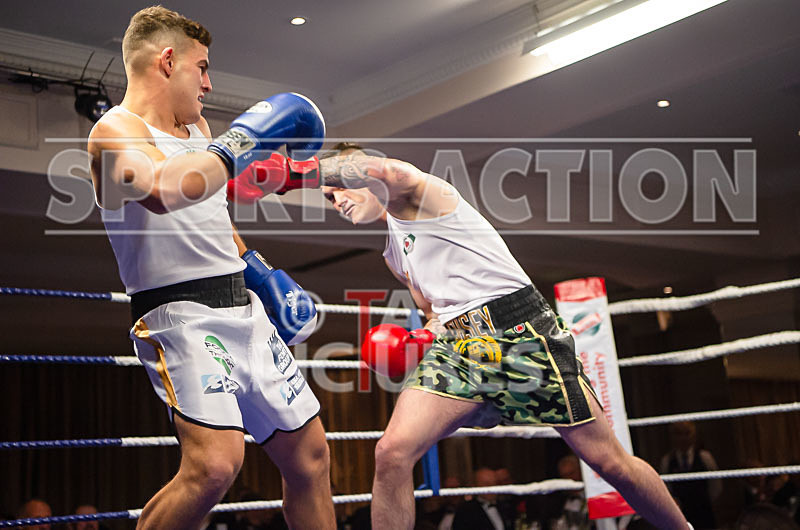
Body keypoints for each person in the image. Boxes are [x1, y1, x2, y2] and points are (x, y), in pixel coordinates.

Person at [227, 142, 692, 529]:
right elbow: (433, 313)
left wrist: (296, 173)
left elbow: (383, 169)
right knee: (391, 452)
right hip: (460, 349)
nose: (339, 202)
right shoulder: (394, 252)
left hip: (520, 332)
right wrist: (420, 341)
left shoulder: (422, 195)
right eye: (329, 200)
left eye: (340, 190)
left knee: (609, 462)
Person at [87, 6, 334, 529]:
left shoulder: (197, 127)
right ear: (167, 61)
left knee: (311, 459)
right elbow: (162, 190)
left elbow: (213, 215)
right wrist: (242, 139)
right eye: (201, 68)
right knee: (214, 466)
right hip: (179, 316)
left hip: (243, 308)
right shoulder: (114, 132)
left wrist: (259, 271)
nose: (208, 83)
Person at [658, 421, 721, 529]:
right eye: (678, 433)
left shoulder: (705, 458)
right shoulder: (667, 461)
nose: (683, 438)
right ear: (672, 437)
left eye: (687, 433)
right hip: (680, 516)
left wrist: (704, 501)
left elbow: (716, 486)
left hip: (704, 514)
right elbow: (666, 489)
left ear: (694, 435)